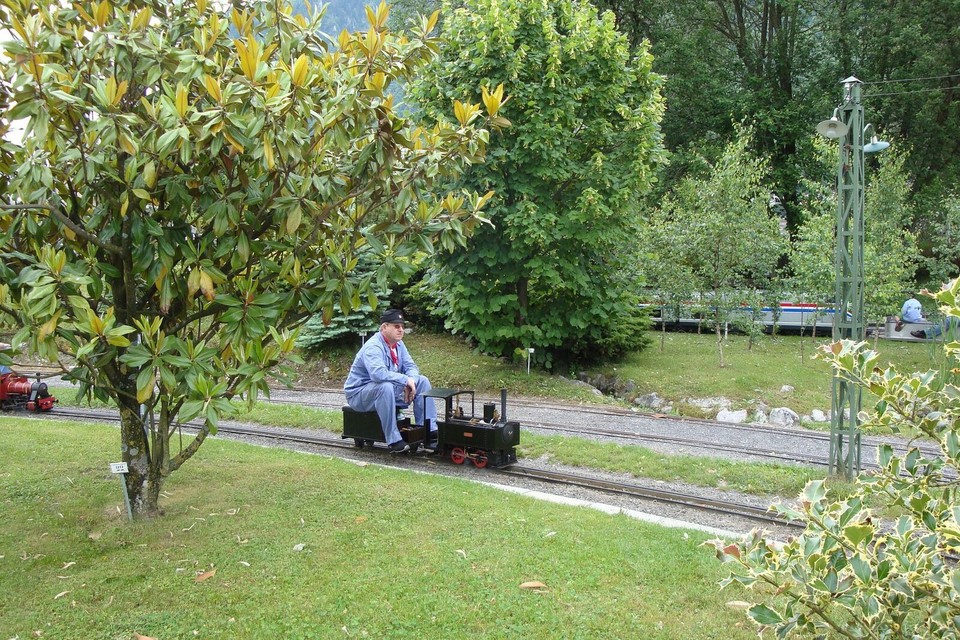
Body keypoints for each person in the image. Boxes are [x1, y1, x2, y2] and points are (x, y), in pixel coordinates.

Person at [343, 309, 438, 452]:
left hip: (385, 391)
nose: (401, 330)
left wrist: (411, 380)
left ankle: (429, 430)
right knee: (384, 387)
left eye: (402, 326)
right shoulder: (373, 347)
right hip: (359, 394)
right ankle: (393, 440)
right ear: (384, 327)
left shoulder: (398, 344)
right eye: (396, 326)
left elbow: (411, 366)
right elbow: (378, 374)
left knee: (422, 381)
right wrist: (404, 380)